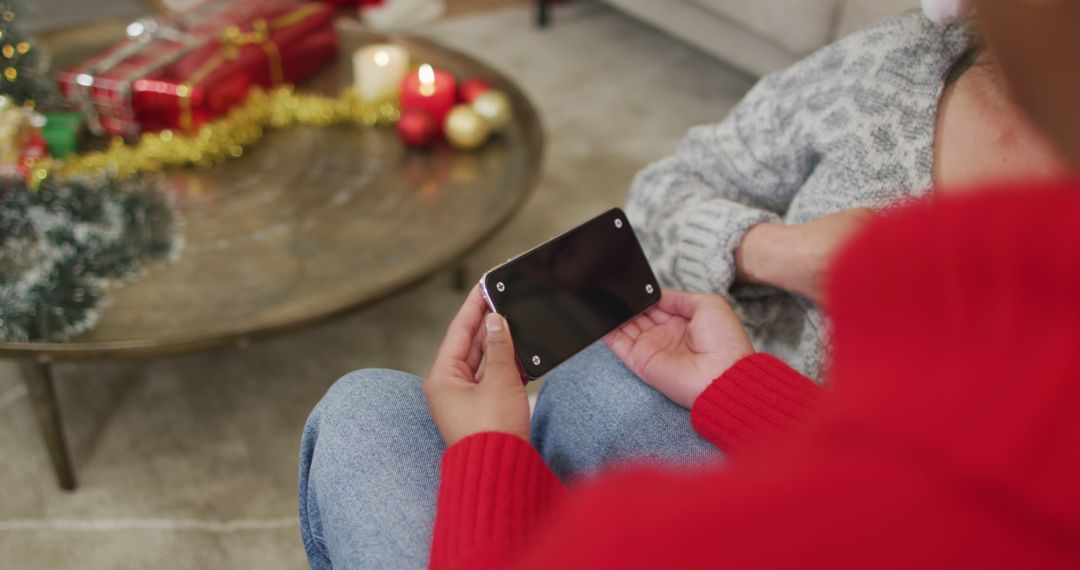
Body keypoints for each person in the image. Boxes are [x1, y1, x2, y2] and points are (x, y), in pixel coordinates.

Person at [299, 0, 1080, 567]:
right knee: (600, 381)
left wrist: (490, 456)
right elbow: (665, 194)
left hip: (792, 503)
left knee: (364, 413)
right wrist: (760, 299)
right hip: (783, 425)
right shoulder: (896, 67)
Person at [532, 0, 1074, 481]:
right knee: (575, 392)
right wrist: (768, 251)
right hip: (740, 400)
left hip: (874, 503)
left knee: (587, 401)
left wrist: (747, 398)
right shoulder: (897, 64)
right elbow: (659, 196)